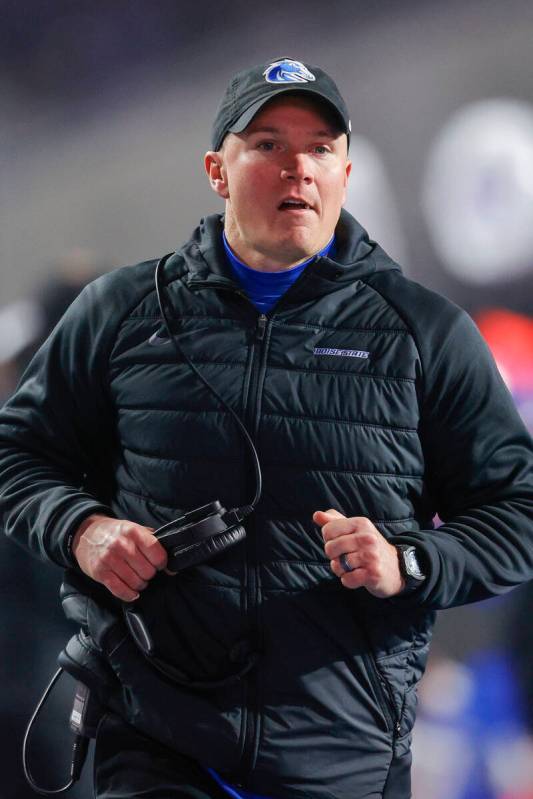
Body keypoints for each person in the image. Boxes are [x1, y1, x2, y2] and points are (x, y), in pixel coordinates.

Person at [1, 56, 533, 799]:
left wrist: (407, 561)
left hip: (345, 756)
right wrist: (80, 528)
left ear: (345, 172)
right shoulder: (120, 313)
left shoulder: (422, 332)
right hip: (160, 746)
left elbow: (517, 511)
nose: (298, 169)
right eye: (269, 145)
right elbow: (16, 454)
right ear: (217, 170)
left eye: (320, 148)